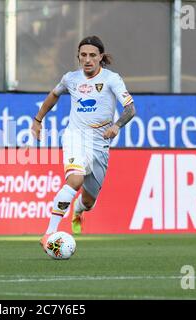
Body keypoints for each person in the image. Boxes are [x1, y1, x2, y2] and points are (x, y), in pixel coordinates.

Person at [31, 35, 136, 249]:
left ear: (101, 57)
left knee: (88, 202)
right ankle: (49, 234)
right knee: (75, 179)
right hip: (75, 136)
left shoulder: (111, 79)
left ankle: (78, 211)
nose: (87, 59)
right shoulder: (71, 78)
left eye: (92, 55)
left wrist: (117, 126)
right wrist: (38, 120)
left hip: (100, 145)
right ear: (78, 57)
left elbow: (130, 109)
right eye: (83, 55)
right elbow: (53, 95)